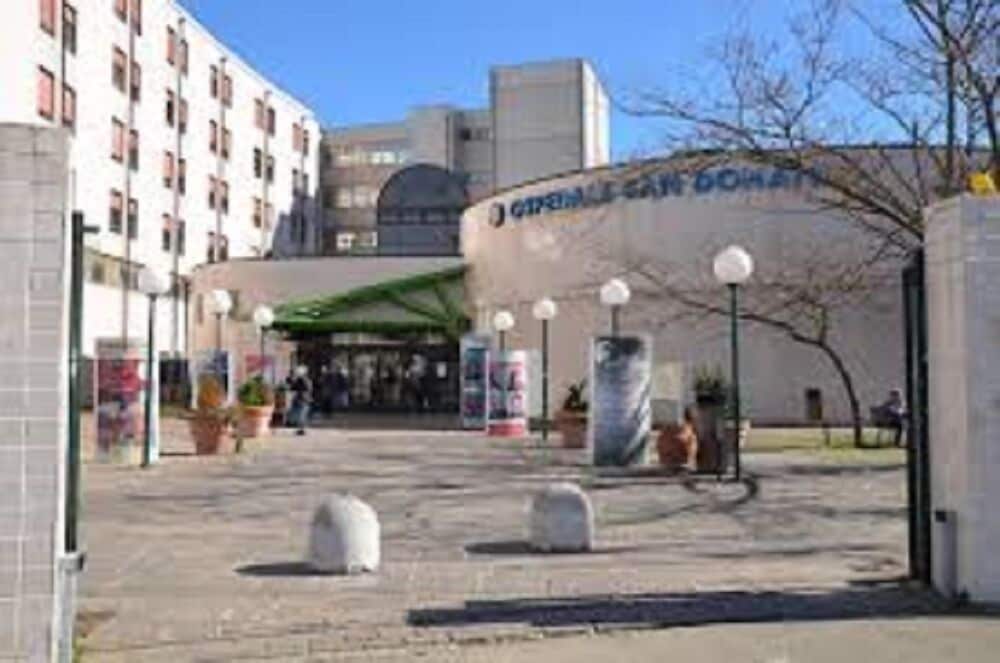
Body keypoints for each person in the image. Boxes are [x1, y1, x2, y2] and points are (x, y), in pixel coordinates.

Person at [289, 365, 313, 436]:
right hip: (303, 399)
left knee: (301, 415)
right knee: (300, 415)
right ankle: (301, 429)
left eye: (298, 372)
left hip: (302, 399)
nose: (296, 373)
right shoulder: (305, 380)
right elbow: (293, 387)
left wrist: (294, 381)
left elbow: (294, 387)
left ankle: (302, 429)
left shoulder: (303, 380)